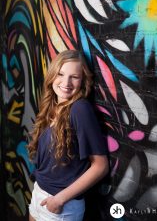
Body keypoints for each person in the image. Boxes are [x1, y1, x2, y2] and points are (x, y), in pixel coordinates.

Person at [27, 50, 109, 221]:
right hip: (39, 194)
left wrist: (60, 199)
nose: (66, 82)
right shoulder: (52, 106)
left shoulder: (80, 109)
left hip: (62, 207)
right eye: (61, 74)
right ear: (52, 75)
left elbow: (100, 166)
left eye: (75, 77)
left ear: (83, 80)